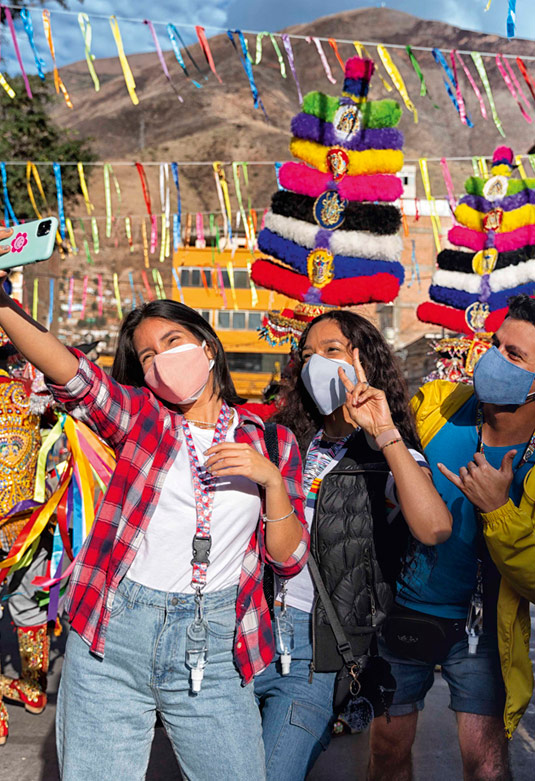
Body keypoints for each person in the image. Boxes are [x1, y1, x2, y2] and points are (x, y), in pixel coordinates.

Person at [0, 244, 309, 779]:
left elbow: (289, 560)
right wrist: (2, 306)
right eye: (146, 356)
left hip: (213, 648)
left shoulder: (275, 443)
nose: (161, 358)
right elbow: (73, 375)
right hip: (112, 639)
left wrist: (270, 483)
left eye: (173, 341)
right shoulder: (143, 419)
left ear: (207, 347)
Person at [253, 310, 452, 781]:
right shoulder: (280, 441)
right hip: (247, 635)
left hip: (315, 649)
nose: (315, 364)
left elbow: (435, 528)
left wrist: (385, 434)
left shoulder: (387, 457)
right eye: (307, 355)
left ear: (366, 361)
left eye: (331, 351)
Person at [368, 294, 535, 781]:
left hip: (480, 633)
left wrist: (499, 510)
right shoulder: (437, 405)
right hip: (402, 609)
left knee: (484, 764)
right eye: (497, 344)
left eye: (515, 356)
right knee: (387, 751)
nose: (492, 358)